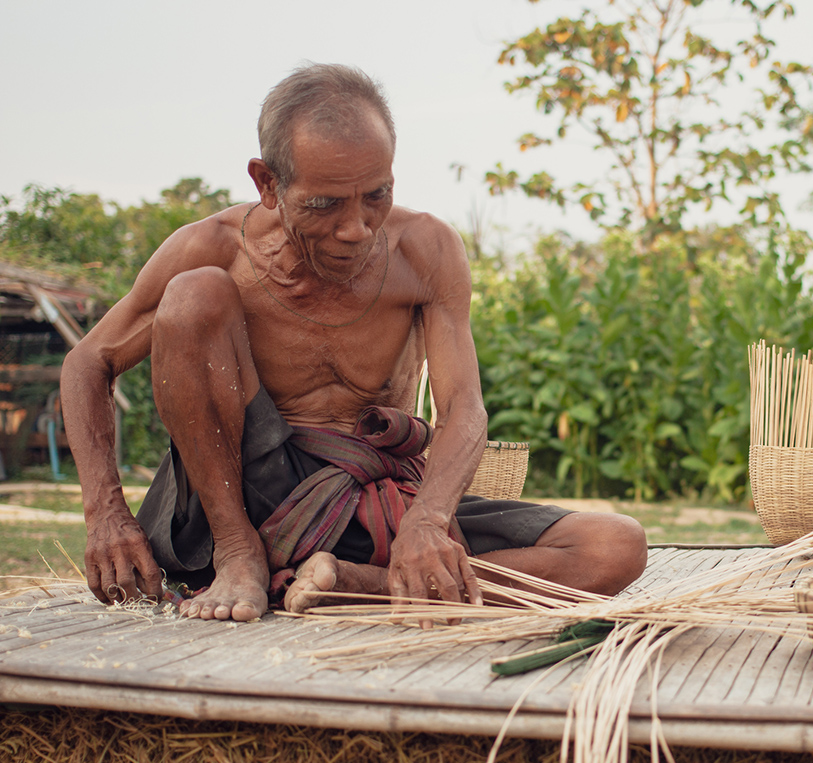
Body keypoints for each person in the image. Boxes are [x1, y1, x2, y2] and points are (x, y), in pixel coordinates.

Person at [61, 63, 647, 622]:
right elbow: (88, 362)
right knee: (193, 295)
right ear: (267, 183)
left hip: (377, 495)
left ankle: (365, 585)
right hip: (235, 499)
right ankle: (241, 557)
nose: (357, 229)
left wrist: (427, 522)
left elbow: (464, 408)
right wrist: (106, 514)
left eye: (377, 195)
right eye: (325, 205)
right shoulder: (211, 247)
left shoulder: (425, 249)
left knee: (614, 547)